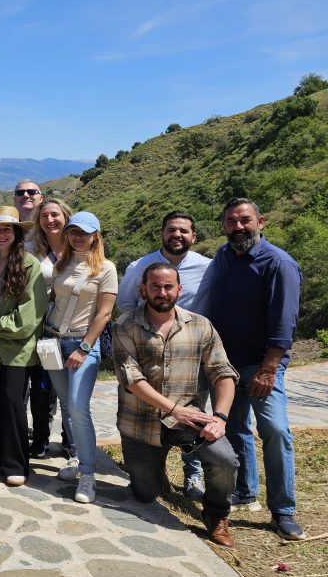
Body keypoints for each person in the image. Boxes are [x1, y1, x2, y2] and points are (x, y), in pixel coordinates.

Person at [198, 198, 305, 540]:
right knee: (235, 429)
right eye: (231, 221)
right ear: (223, 226)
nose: (238, 227)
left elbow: (285, 321)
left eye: (245, 220)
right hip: (225, 366)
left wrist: (269, 368)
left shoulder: (278, 263)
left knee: (275, 430)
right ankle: (245, 492)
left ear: (261, 222)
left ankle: (283, 511)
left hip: (261, 366)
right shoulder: (224, 256)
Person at [114, 262, 239, 547]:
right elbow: (131, 379)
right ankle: (155, 476)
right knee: (146, 494)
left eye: (168, 286)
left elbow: (223, 373)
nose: (162, 292)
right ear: (142, 289)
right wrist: (173, 409)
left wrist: (220, 418)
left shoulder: (201, 325)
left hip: (188, 419)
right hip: (139, 423)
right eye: (155, 286)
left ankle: (216, 514)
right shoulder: (125, 326)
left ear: (179, 290)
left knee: (224, 459)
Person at [116, 211, 213, 501]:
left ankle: (192, 472)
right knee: (150, 412)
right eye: (171, 229)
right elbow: (125, 303)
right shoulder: (139, 266)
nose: (177, 235)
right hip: (150, 350)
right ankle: (154, 470)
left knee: (194, 414)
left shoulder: (208, 267)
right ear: (162, 233)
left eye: (183, 230)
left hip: (192, 355)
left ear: (194, 236)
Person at [44, 211, 117, 503]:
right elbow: (54, 301)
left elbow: (105, 313)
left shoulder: (106, 268)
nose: (78, 237)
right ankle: (75, 456)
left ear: (95, 236)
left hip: (82, 344)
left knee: (78, 407)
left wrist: (84, 347)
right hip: (55, 341)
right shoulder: (61, 264)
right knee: (66, 404)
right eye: (73, 232)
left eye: (84, 233)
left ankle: (88, 474)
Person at [0, 207, 46, 486]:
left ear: (17, 233)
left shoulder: (30, 265)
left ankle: (15, 463)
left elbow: (31, 312)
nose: (1, 234)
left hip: (16, 346)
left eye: (7, 229)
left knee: (13, 401)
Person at [27, 197, 74, 458]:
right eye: (44, 216)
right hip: (42, 326)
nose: (50, 220)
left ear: (66, 217)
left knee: (71, 388)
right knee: (42, 386)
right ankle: (41, 437)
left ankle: (70, 439)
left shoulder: (78, 247)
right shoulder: (31, 249)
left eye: (55, 215)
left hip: (73, 328)